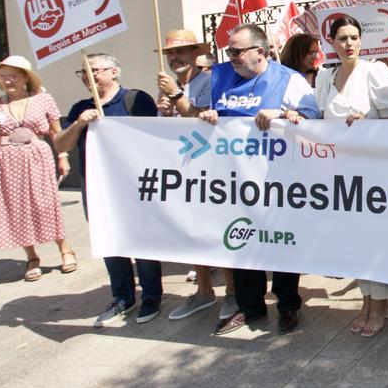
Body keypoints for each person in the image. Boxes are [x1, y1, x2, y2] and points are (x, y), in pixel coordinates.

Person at [200, 24, 320, 336]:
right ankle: (249, 306)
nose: (232, 58)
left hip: (277, 181)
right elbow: (201, 114)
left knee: (281, 242)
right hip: (236, 181)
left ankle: (288, 305)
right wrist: (208, 117)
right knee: (242, 241)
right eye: (229, 51)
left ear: (261, 51)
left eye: (237, 51)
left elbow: (314, 118)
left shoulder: (289, 80)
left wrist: (282, 114)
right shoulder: (220, 78)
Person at [53, 54, 162, 327]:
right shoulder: (81, 107)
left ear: (114, 72)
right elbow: (60, 145)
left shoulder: (135, 100)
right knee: (110, 242)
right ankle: (123, 297)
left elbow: (156, 138)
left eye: (94, 71)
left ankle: (151, 296)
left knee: (143, 242)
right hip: (97, 188)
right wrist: (79, 123)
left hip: (134, 185)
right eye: (83, 72)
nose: (88, 77)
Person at [314, 15, 388, 337]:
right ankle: (366, 300)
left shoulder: (374, 71)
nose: (349, 43)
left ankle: (380, 303)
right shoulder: (325, 78)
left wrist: (369, 120)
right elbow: (317, 117)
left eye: (354, 37)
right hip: (338, 173)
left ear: (361, 41)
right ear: (332, 43)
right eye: (342, 38)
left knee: (375, 238)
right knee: (354, 239)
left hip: (374, 169)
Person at [152, 29, 237, 323]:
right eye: (170, 54)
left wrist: (176, 97)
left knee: (217, 231)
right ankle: (203, 291)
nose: (174, 58)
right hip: (184, 168)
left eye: (180, 52)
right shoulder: (171, 85)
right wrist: (164, 109)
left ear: (193, 54)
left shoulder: (210, 81)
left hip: (212, 169)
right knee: (191, 231)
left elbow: (202, 118)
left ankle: (232, 293)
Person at [0, 55, 74, 282]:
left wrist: (63, 156)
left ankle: (65, 249)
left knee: (45, 204)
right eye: (3, 77)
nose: (7, 81)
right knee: (16, 209)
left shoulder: (43, 99)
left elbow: (55, 132)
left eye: (13, 76)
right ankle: (31, 257)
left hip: (36, 155)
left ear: (25, 78)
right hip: (4, 160)